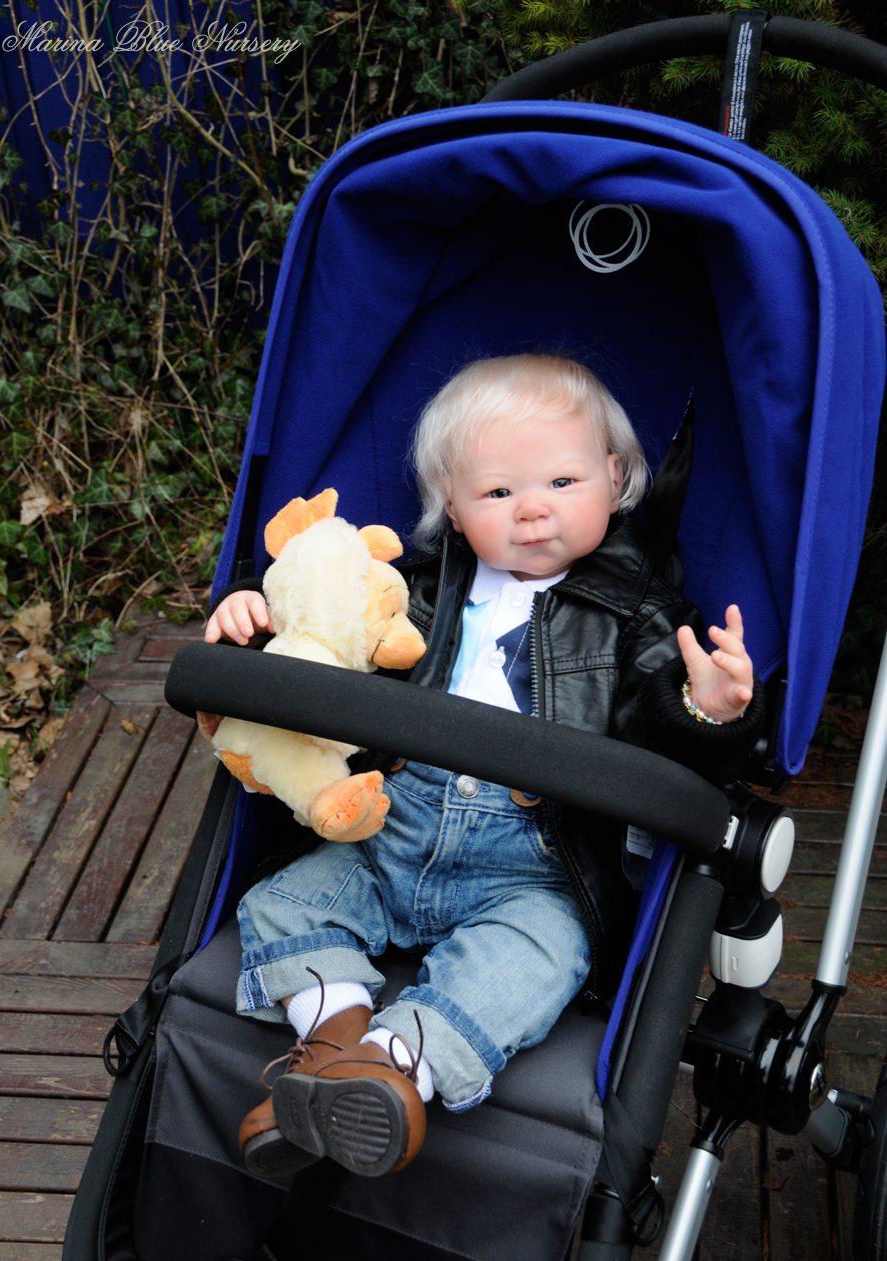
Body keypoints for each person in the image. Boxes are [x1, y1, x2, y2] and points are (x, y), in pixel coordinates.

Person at [204, 353, 765, 1180]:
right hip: (393, 824)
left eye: (564, 482)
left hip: (538, 856)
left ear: (615, 478)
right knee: (284, 902)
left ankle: (394, 1066)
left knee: (537, 958)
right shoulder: (411, 589)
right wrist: (255, 616)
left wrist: (706, 708)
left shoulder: (644, 611)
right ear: (455, 510)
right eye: (498, 492)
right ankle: (336, 1045)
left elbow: (661, 736)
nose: (532, 509)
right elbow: (324, 634)